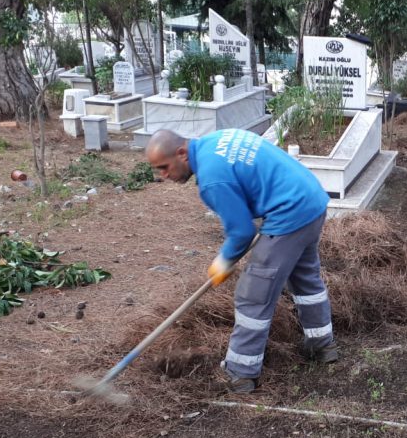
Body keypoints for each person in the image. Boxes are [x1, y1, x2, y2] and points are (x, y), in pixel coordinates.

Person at [145, 128, 339, 394]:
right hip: (311, 200)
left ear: (181, 153)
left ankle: (241, 372)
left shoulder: (212, 179)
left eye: (165, 168)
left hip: (289, 214)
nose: (164, 176)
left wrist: (223, 262)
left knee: (253, 295)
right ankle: (322, 346)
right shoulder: (216, 140)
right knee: (305, 277)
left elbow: (242, 232)